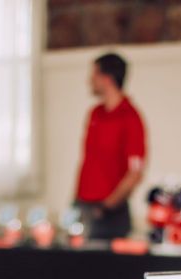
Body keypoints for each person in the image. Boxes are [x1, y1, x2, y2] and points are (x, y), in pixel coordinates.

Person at [75, 52, 147, 240]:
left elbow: (135, 172)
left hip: (109, 214)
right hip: (83, 206)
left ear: (106, 78)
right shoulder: (95, 114)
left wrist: (107, 205)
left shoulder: (130, 118)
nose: (89, 81)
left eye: (94, 75)